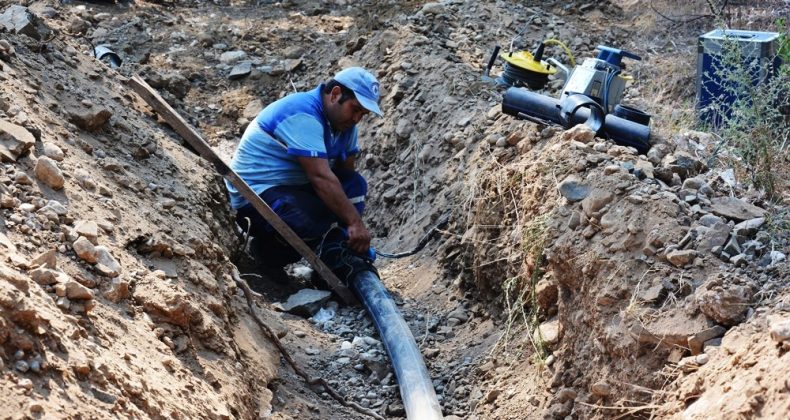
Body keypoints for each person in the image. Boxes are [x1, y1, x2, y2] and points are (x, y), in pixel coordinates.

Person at [226, 67, 383, 283]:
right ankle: (268, 254)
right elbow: (321, 178)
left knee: (354, 185)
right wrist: (354, 223)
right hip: (255, 195)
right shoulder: (302, 113)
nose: (357, 118)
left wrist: (345, 226)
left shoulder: (344, 125)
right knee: (305, 221)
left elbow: (346, 174)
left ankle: (339, 254)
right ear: (335, 94)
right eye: (354, 109)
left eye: (362, 114)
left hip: (294, 187)